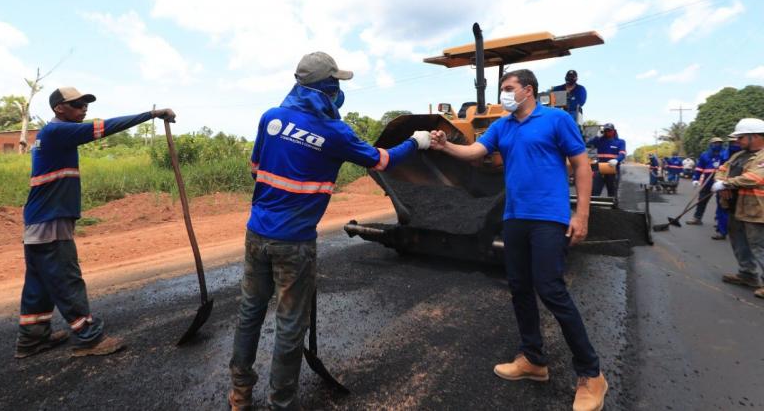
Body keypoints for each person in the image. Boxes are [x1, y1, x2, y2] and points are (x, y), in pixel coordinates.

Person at [228, 52, 431, 410]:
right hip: (294, 243)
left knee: (250, 313)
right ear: (325, 87)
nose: (339, 89)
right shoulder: (334, 132)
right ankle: (281, 402)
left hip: (256, 235)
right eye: (336, 82)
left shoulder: (271, 119)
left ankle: (240, 394)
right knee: (290, 324)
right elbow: (382, 160)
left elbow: (254, 171)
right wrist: (418, 142)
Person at [430, 69, 607, 411]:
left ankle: (591, 374)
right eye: (501, 90)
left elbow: (582, 166)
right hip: (515, 217)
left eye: (509, 89)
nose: (504, 96)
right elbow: (475, 152)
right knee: (520, 288)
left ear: (529, 90)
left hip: (548, 217)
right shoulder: (503, 126)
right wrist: (445, 145)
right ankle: (533, 360)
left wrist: (581, 214)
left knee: (551, 289)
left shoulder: (556, 119)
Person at [16, 87, 175, 359]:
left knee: (39, 283)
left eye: (84, 104)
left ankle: (32, 338)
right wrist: (151, 114)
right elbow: (106, 127)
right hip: (50, 223)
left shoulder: (52, 135)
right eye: (77, 104)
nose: (83, 108)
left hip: (39, 222)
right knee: (67, 279)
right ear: (59, 109)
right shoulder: (57, 132)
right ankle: (88, 337)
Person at [712, 118, 764, 300]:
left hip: (756, 210)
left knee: (759, 246)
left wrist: (727, 183)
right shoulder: (738, 155)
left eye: (741, 137)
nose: (737, 141)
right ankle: (747, 274)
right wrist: (722, 183)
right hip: (736, 207)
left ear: (755, 136)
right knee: (739, 242)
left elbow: (754, 178)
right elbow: (722, 169)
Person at [686, 138, 724, 228]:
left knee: (722, 203)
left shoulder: (725, 154)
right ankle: (697, 218)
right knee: (702, 200)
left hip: (721, 181)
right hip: (708, 181)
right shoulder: (705, 155)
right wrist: (696, 179)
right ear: (710, 144)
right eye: (715, 143)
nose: (717, 145)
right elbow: (699, 168)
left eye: (719, 143)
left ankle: (720, 222)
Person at [585, 123, 626, 197]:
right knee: (595, 191)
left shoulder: (620, 142)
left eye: (609, 130)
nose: (607, 132)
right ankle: (594, 206)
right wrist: (597, 137)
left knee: (612, 192)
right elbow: (587, 144)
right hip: (599, 168)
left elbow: (622, 154)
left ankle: (613, 207)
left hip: (612, 168)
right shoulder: (600, 140)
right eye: (606, 130)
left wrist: (616, 160)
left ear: (614, 131)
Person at [715, 139, 743, 239]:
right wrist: (720, 183)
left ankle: (735, 232)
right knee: (722, 208)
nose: (735, 144)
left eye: (736, 142)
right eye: (732, 142)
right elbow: (721, 170)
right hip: (725, 187)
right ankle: (722, 230)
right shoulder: (725, 155)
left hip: (740, 188)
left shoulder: (750, 156)